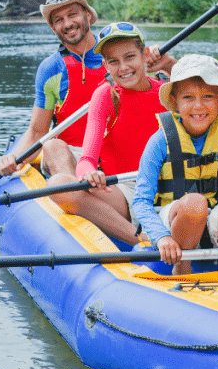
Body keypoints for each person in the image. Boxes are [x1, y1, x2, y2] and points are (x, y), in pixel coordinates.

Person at [0, 0, 173, 179]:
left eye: (72, 14)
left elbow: (173, 93)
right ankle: (78, 192)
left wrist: (168, 65)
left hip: (120, 152)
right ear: (53, 28)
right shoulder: (51, 69)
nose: (68, 24)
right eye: (59, 20)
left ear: (87, 15)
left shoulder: (120, 53)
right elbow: (38, 131)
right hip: (72, 153)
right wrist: (14, 158)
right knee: (52, 146)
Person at [132, 54, 218, 275]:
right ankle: (182, 269)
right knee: (194, 204)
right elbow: (141, 202)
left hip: (214, 218)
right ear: (175, 101)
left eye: (208, 96)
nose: (198, 106)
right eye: (188, 97)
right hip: (175, 220)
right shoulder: (159, 141)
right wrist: (161, 236)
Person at [47, 22, 172, 245]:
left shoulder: (168, 90)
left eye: (130, 57)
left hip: (168, 188)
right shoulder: (105, 94)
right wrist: (88, 173)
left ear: (145, 55)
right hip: (126, 190)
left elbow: (204, 93)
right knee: (59, 184)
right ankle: (140, 239)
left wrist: (171, 63)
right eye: (113, 61)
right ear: (105, 65)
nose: (123, 67)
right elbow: (87, 158)